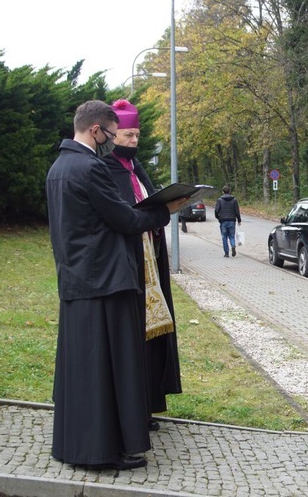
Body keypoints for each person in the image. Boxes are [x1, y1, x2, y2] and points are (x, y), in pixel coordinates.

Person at [45, 100, 185, 470]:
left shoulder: (58, 167)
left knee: (83, 370)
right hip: (107, 282)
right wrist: (165, 210)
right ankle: (104, 451)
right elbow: (124, 219)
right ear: (96, 130)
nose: (112, 140)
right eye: (111, 132)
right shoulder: (90, 167)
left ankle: (75, 447)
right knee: (109, 370)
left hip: (76, 281)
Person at [102, 99, 182, 433]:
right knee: (133, 337)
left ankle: (148, 403)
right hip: (130, 265)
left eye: (137, 136)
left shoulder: (136, 169)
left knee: (152, 339)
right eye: (128, 135)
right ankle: (130, 409)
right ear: (112, 135)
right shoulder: (105, 169)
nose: (134, 141)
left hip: (152, 259)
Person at [214, 185, 241, 257]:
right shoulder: (234, 200)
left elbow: (216, 210)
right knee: (232, 236)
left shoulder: (219, 200)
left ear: (223, 192)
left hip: (223, 221)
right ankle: (233, 245)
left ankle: (226, 253)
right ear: (230, 191)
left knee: (224, 237)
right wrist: (239, 220)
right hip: (232, 220)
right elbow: (237, 211)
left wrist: (218, 217)